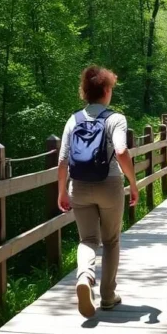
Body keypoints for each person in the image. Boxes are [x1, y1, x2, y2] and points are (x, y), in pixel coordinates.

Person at [57, 66, 139, 318]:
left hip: (79, 186)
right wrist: (133, 183)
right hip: (109, 184)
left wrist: (62, 191)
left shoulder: (74, 119)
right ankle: (107, 296)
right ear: (105, 90)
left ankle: (85, 276)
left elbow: (62, 161)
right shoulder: (116, 118)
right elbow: (122, 151)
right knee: (111, 240)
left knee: (87, 240)